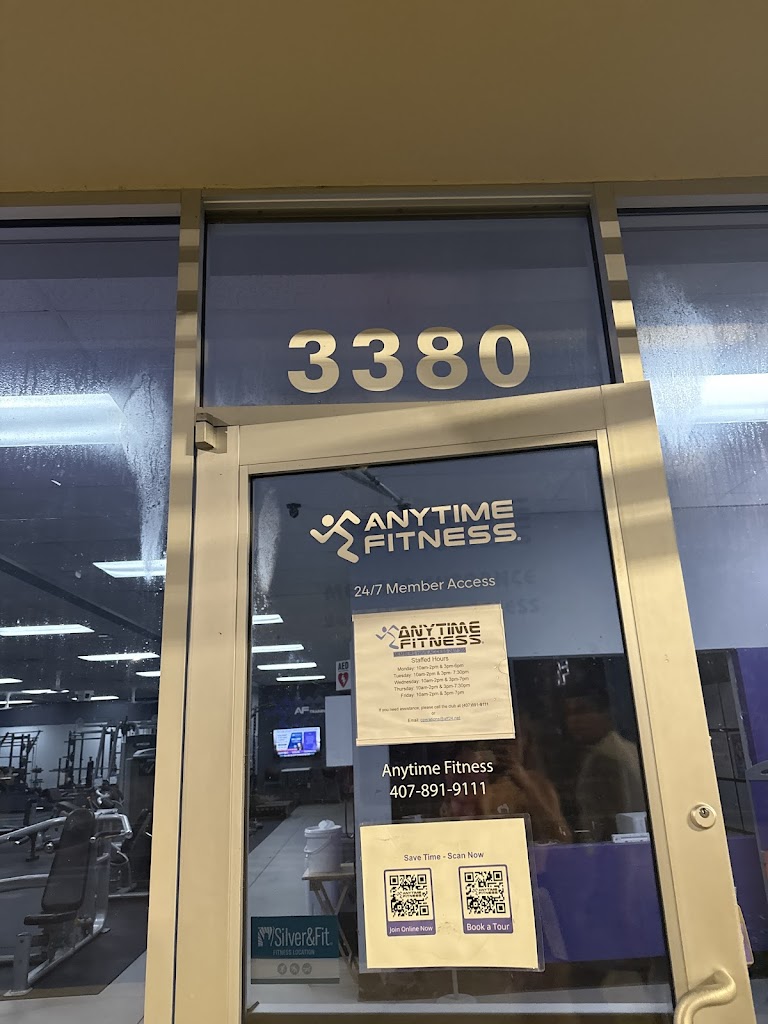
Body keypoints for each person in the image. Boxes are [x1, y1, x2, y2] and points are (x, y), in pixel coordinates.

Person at [564, 688, 645, 841]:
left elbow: (610, 823)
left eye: (583, 711)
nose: (574, 720)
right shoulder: (629, 749)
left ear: (606, 713)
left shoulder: (606, 758)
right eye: (568, 713)